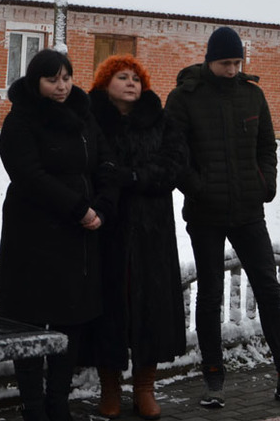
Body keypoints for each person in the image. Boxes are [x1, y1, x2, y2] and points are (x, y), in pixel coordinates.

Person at [164, 26, 280, 408]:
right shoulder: (183, 99)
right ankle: (213, 378)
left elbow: (267, 147)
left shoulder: (252, 95)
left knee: (269, 289)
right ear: (210, 60)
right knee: (210, 295)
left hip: (248, 210)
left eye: (237, 62)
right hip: (205, 213)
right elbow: (174, 155)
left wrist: (266, 184)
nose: (232, 69)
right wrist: (198, 187)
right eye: (225, 62)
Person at [0, 49, 120, 421]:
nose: (62, 86)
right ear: (37, 82)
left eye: (66, 77)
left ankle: (58, 403)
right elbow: (29, 176)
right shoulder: (21, 120)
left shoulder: (83, 115)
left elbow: (106, 163)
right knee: (30, 323)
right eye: (53, 79)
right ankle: (33, 407)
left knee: (71, 318)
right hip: (34, 235)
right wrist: (78, 209)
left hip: (78, 237)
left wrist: (102, 206)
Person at [87, 55, 187, 420]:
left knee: (151, 308)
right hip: (106, 228)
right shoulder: (91, 120)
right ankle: (109, 388)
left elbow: (174, 165)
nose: (131, 83)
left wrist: (133, 177)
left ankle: (145, 388)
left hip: (151, 231)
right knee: (108, 306)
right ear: (105, 83)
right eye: (122, 77)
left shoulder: (161, 121)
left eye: (136, 78)